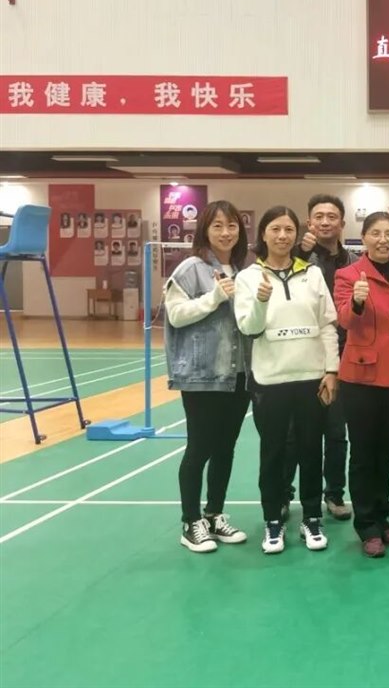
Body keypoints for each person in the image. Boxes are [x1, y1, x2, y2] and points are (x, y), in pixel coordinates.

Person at [235, 206, 339, 555]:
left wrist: (331, 370)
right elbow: (249, 328)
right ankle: (272, 521)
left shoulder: (312, 273)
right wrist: (261, 302)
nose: (282, 236)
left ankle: (312, 517)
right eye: (275, 229)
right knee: (273, 454)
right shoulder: (248, 277)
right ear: (263, 234)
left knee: (311, 451)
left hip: (311, 378)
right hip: (270, 380)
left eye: (288, 230)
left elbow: (327, 325)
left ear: (297, 235)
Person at [164, 200, 251, 553]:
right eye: (217, 226)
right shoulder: (190, 269)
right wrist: (213, 298)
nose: (225, 232)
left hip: (239, 372)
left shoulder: (244, 269)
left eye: (232, 226)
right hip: (203, 374)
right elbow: (174, 314)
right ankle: (190, 522)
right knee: (199, 447)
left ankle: (214, 514)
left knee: (225, 447)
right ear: (205, 230)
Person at [335, 212, 389, 558]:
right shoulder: (348, 275)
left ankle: (382, 519)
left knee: (387, 452)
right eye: (376, 234)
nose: (383, 240)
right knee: (363, 454)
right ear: (364, 238)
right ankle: (366, 524)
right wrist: (356, 300)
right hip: (361, 378)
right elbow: (343, 320)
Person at [281, 194, 356, 522]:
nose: (325, 222)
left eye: (332, 216)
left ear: (342, 223)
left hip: (341, 357)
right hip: (301, 356)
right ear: (309, 223)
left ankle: (334, 494)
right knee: (293, 434)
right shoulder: (294, 257)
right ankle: (284, 494)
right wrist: (300, 252)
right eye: (319, 217)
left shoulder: (353, 261)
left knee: (337, 433)